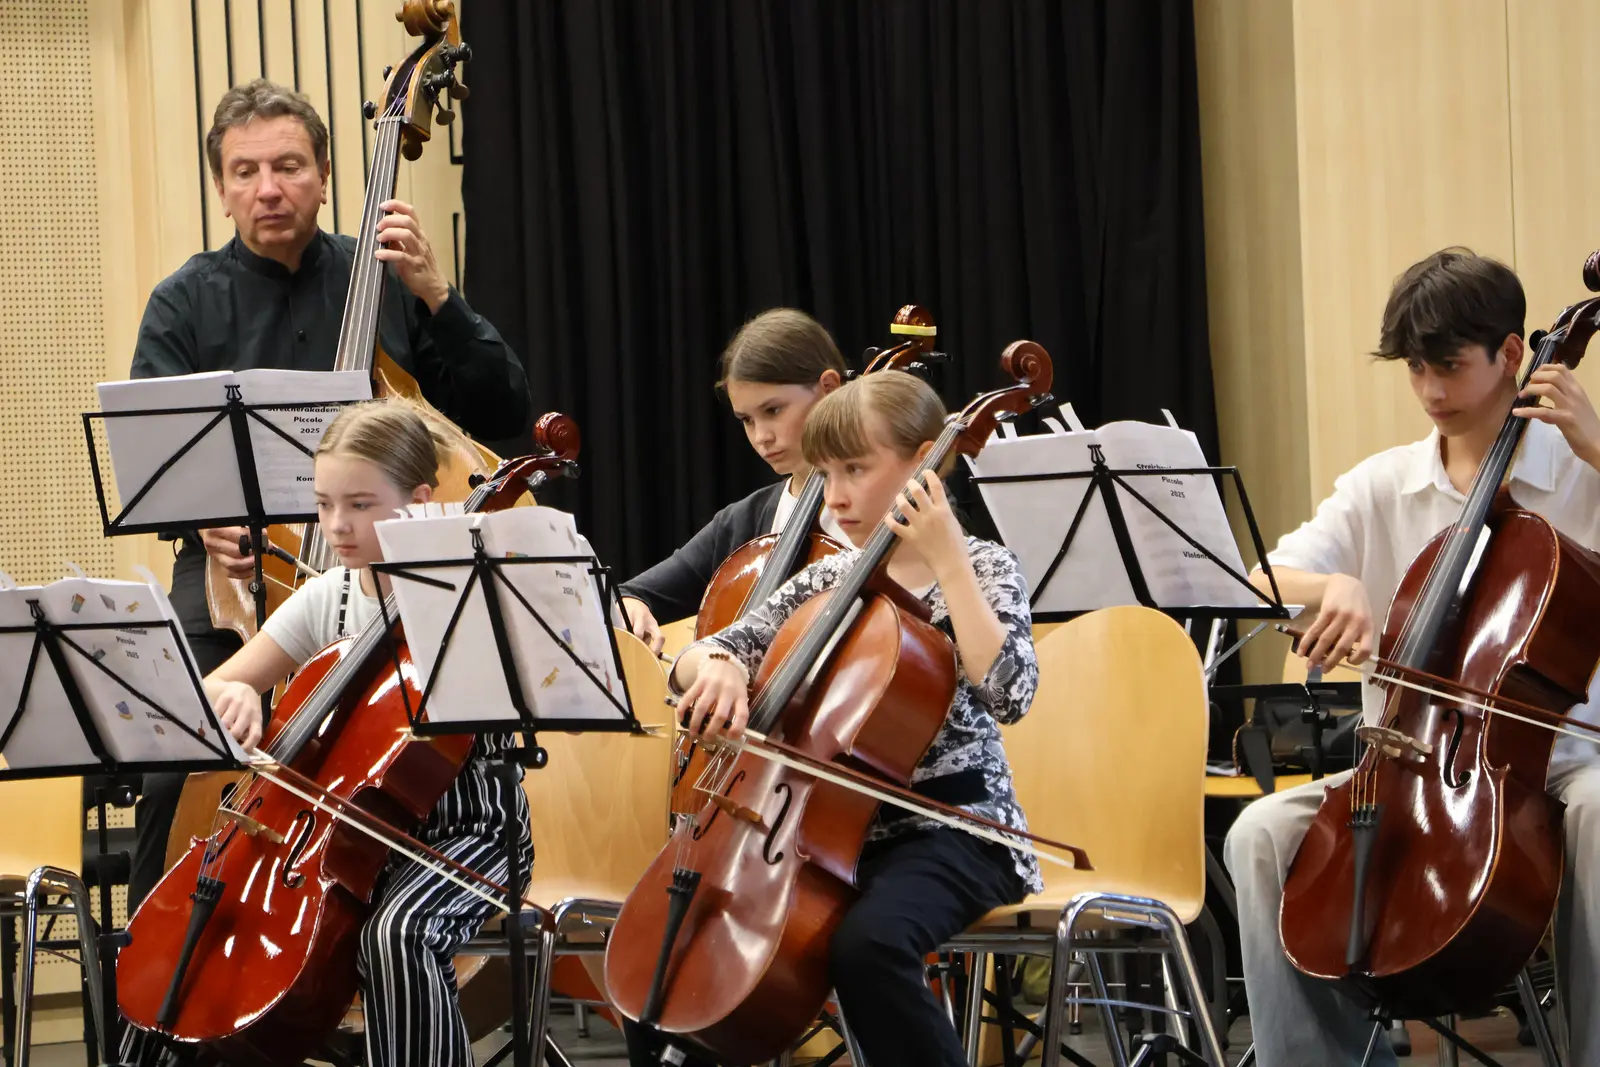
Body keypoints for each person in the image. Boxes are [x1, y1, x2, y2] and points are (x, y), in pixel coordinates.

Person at [127, 78, 530, 908]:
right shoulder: (182, 303)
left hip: (386, 574)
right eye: (245, 172)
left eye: (288, 166)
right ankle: (159, 969)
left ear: (326, 173)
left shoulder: (385, 278)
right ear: (221, 187)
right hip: (236, 574)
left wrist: (436, 294)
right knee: (180, 760)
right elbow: (159, 471)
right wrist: (205, 520)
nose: (268, 188)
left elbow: (501, 412)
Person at [1225, 248, 1600, 1065]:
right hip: (1403, 769)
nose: (1430, 390)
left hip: (1563, 767)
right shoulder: (1380, 484)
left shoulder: (1583, 471)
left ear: (1512, 354)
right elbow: (1256, 580)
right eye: (1415, 369)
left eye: (1449, 366)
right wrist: (1332, 585)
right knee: (1260, 835)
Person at [626, 372, 1041, 1067]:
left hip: (953, 832)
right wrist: (717, 664)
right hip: (820, 838)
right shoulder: (826, 579)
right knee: (667, 953)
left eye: (855, 469)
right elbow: (704, 654)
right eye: (825, 473)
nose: (834, 495)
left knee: (870, 946)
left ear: (925, 464)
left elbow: (1010, 694)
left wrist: (948, 560)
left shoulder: (986, 569)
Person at [128, 399, 531, 1067]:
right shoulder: (333, 594)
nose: (336, 525)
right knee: (197, 923)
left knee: (398, 932)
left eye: (360, 505)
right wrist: (237, 695)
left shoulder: (468, 598)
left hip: (466, 834)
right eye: (323, 504)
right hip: (340, 838)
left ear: (420, 502)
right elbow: (210, 692)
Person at [617, 308, 848, 651]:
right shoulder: (743, 522)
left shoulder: (890, 503)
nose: (761, 437)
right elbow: (631, 594)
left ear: (828, 388)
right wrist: (632, 605)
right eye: (747, 420)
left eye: (773, 410)